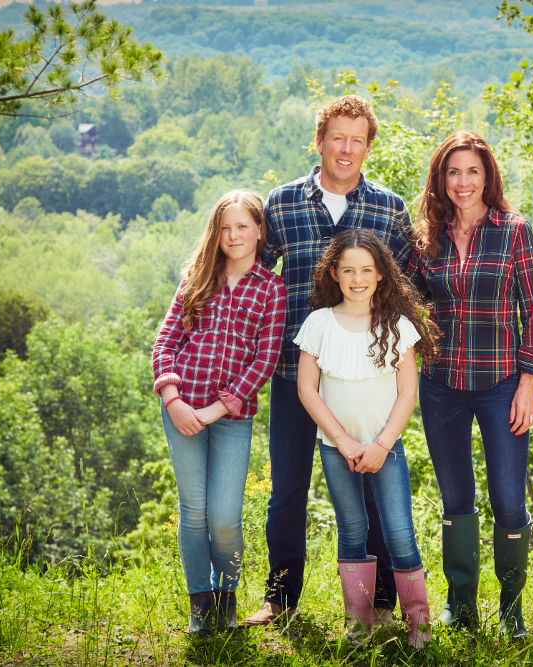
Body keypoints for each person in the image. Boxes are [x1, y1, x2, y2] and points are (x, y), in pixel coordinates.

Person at [244, 95, 413, 627]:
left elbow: (407, 285)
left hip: (368, 380)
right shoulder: (282, 203)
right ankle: (280, 599)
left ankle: (381, 605)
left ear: (368, 147)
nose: (346, 149)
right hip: (296, 375)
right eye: (337, 137)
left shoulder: (389, 208)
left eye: (357, 140)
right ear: (319, 141)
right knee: (287, 490)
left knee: (374, 494)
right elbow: (253, 274)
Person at [408, 131, 533, 640]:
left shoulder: (514, 231)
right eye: (453, 172)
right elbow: (407, 304)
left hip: (501, 384)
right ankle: (461, 605)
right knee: (456, 498)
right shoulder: (426, 237)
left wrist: (528, 382)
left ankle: (512, 610)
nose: (462, 182)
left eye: (472, 171)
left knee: (509, 500)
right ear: (441, 179)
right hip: (441, 384)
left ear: (487, 176)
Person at [294, 229, 440, 648]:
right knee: (352, 528)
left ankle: (419, 628)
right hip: (336, 449)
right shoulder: (319, 323)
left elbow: (407, 392)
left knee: (399, 533)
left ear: (380, 275)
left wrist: (381, 445)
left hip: (385, 448)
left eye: (366, 270)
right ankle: (358, 625)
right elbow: (307, 389)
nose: (357, 279)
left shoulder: (397, 326)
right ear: (334, 274)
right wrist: (342, 441)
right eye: (348, 270)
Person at [152, 190, 286, 636]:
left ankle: (227, 596)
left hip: (230, 418)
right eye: (225, 227)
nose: (233, 235)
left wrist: (212, 411)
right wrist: (173, 399)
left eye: (243, 226)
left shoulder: (271, 289)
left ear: (260, 231)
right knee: (193, 511)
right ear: (216, 232)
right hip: (182, 409)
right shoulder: (197, 277)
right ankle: (200, 604)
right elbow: (165, 342)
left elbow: (264, 362)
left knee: (225, 517)